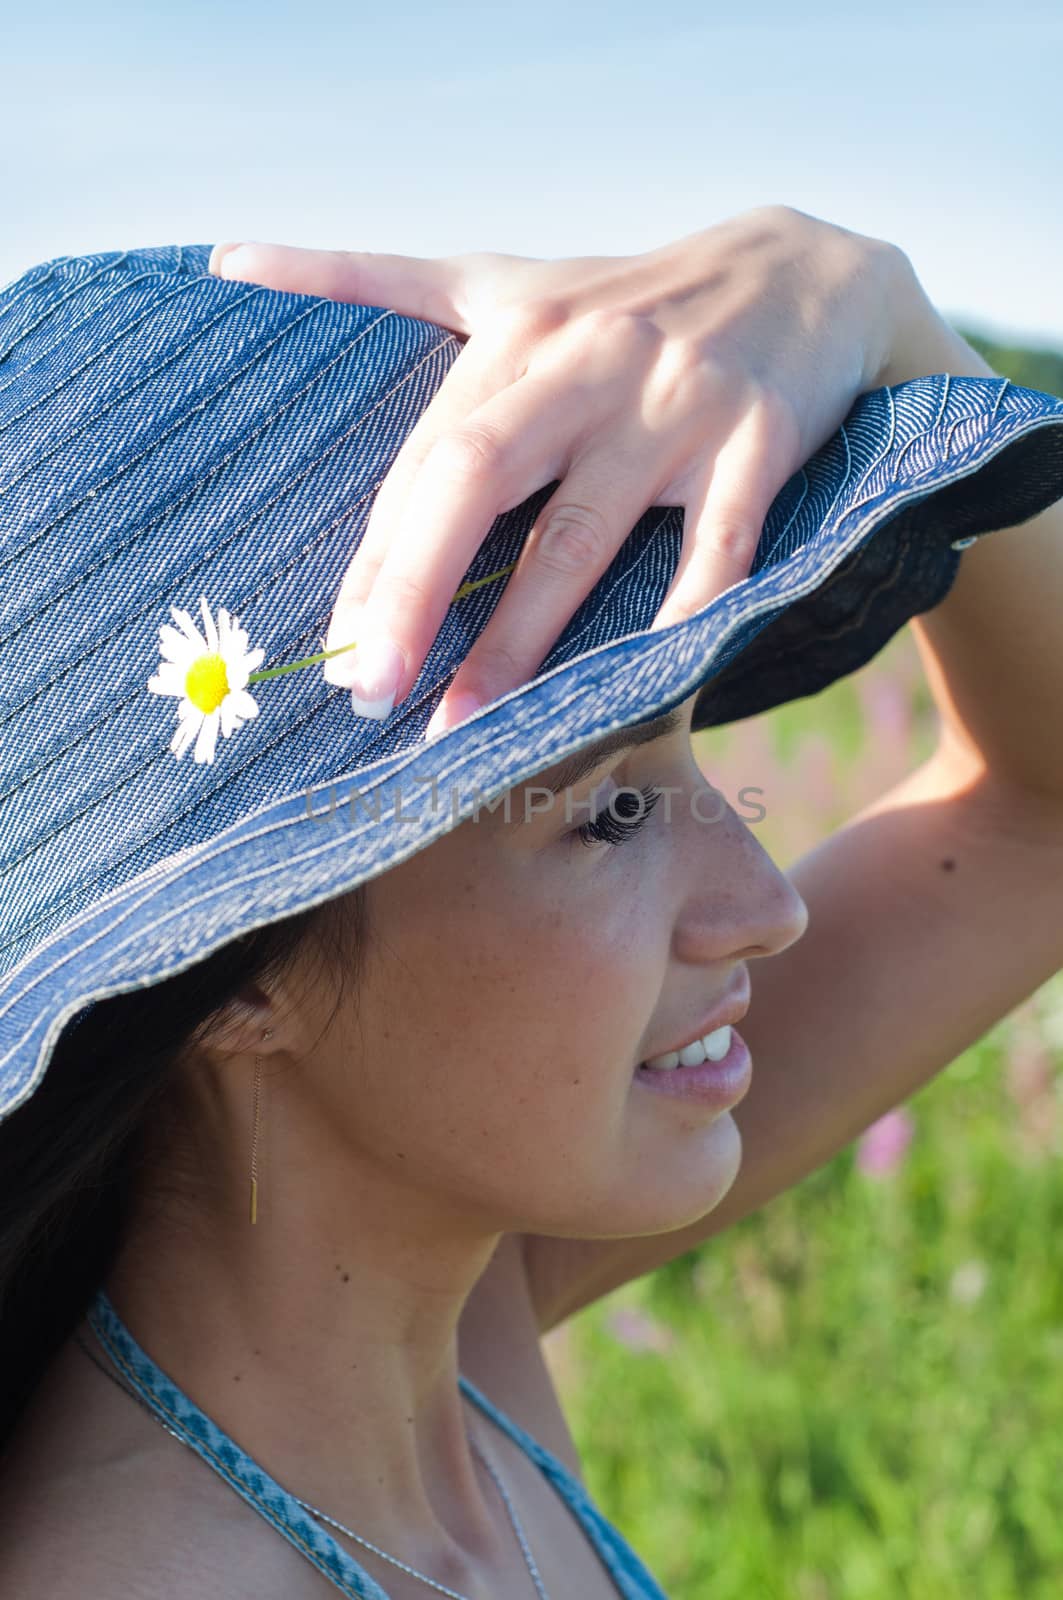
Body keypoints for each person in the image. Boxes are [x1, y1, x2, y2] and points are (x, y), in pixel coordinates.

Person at [0, 206, 1061, 1600]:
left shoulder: (439, 1314)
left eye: (691, 750)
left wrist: (870, 303)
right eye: (610, 811)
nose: (762, 904)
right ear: (231, 963)